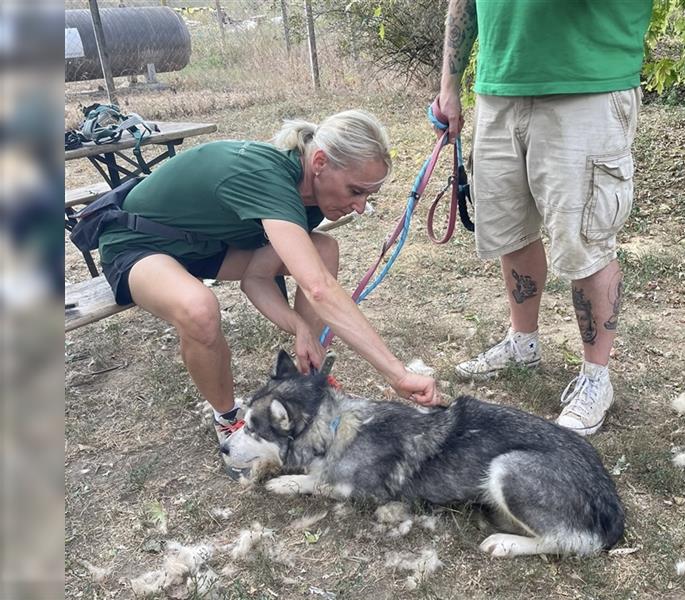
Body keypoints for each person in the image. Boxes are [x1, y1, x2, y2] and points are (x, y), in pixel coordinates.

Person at [96, 110, 442, 476]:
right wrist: (397, 373)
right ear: (320, 162)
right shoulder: (269, 177)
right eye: (355, 191)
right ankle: (228, 419)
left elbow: (256, 279)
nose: (358, 207)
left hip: (204, 246)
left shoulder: (309, 193)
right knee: (198, 308)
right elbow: (319, 288)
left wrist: (300, 328)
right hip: (137, 242)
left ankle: (305, 372)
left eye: (367, 195)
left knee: (324, 250)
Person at [437, 1, 653, 435]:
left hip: (587, 85)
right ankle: (523, 343)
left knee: (585, 242)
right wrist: (449, 82)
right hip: (499, 86)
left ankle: (596, 379)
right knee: (510, 230)